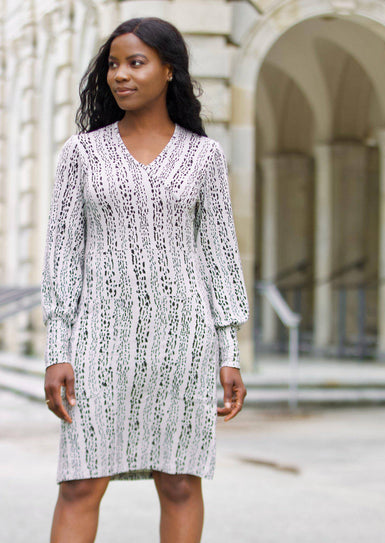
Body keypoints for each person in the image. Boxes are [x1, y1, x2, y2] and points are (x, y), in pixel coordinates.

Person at [41, 16, 250, 543]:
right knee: (80, 483)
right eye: (113, 64)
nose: (120, 75)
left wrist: (229, 353)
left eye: (136, 63)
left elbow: (219, 256)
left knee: (180, 481)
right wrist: (57, 349)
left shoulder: (203, 156)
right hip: (98, 340)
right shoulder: (81, 154)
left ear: (168, 70)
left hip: (184, 343)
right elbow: (63, 255)